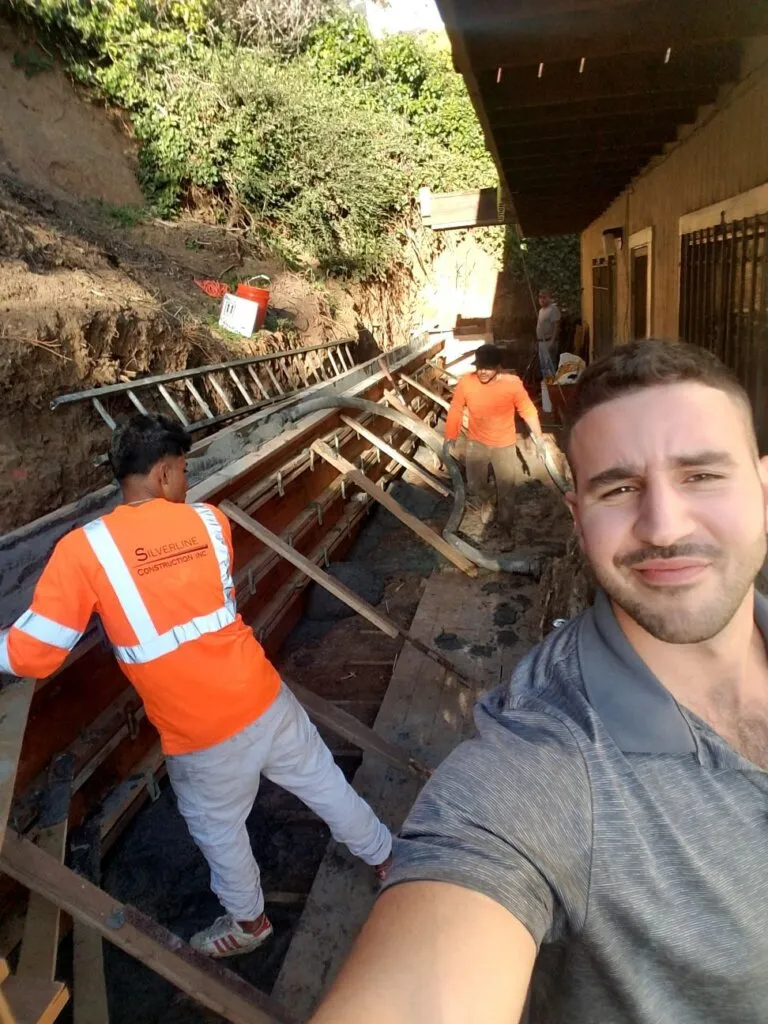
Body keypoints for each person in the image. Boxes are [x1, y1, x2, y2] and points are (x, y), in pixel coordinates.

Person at [309, 339, 768, 1024]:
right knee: (499, 498)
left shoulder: (469, 382)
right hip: (501, 451)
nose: (664, 526)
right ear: (579, 519)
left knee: (488, 502)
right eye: (618, 487)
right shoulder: (536, 776)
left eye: (701, 475)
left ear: (763, 485)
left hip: (477, 453)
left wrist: (455, 447)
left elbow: (453, 425)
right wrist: (526, 441)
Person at [0, 414, 392, 958]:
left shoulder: (83, 551)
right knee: (323, 781)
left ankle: (250, 923)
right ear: (162, 474)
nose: (187, 483)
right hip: (264, 695)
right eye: (183, 471)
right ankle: (385, 856)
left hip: (201, 735)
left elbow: (32, 654)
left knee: (218, 830)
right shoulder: (211, 524)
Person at [443, 344, 542, 531]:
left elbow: (527, 409)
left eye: (487, 368)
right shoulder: (467, 382)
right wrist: (450, 435)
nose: (482, 372)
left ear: (498, 366)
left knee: (507, 488)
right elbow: (456, 408)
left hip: (504, 444)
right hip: (477, 442)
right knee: (474, 484)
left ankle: (505, 526)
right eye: (479, 367)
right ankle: (489, 499)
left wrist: (539, 438)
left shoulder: (512, 383)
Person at [536, 288, 561, 378]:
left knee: (550, 367)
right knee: (543, 367)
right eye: (540, 297)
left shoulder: (553, 309)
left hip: (548, 341)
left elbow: (556, 326)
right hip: (541, 342)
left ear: (549, 298)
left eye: (544, 297)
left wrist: (552, 341)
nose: (541, 299)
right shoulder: (541, 310)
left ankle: (552, 388)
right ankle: (546, 388)